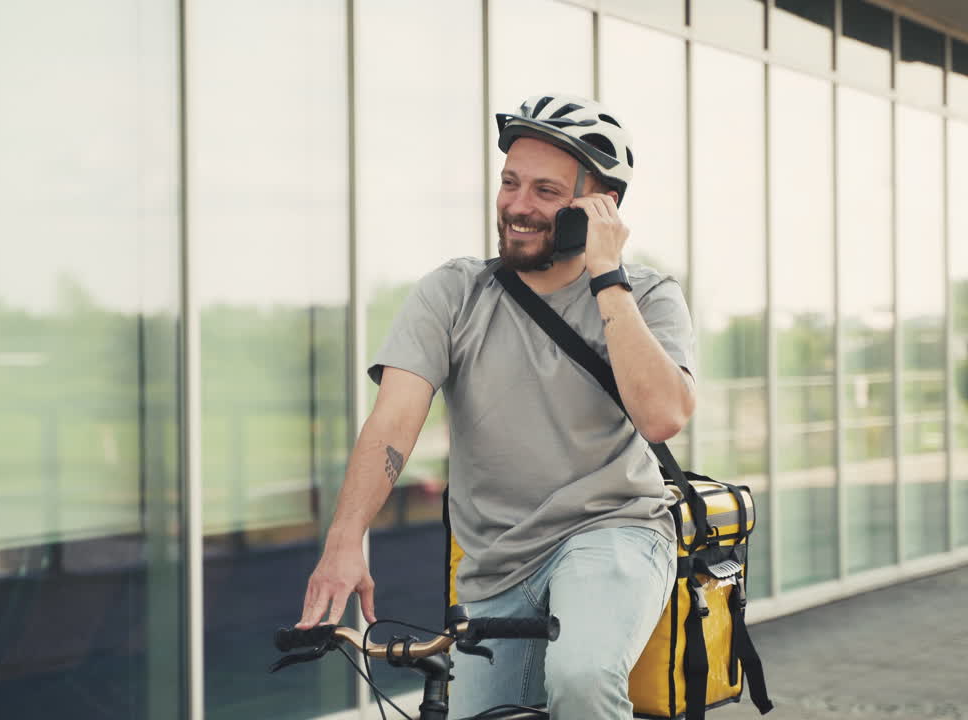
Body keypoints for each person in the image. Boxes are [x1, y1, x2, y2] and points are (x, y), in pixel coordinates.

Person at [296, 93, 696, 719]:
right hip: (495, 562)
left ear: (600, 206)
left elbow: (663, 416)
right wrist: (346, 539)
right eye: (510, 183)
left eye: (544, 191)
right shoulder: (453, 293)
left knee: (583, 679)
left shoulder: (647, 295)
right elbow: (393, 420)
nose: (517, 205)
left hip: (612, 529)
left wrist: (606, 275)